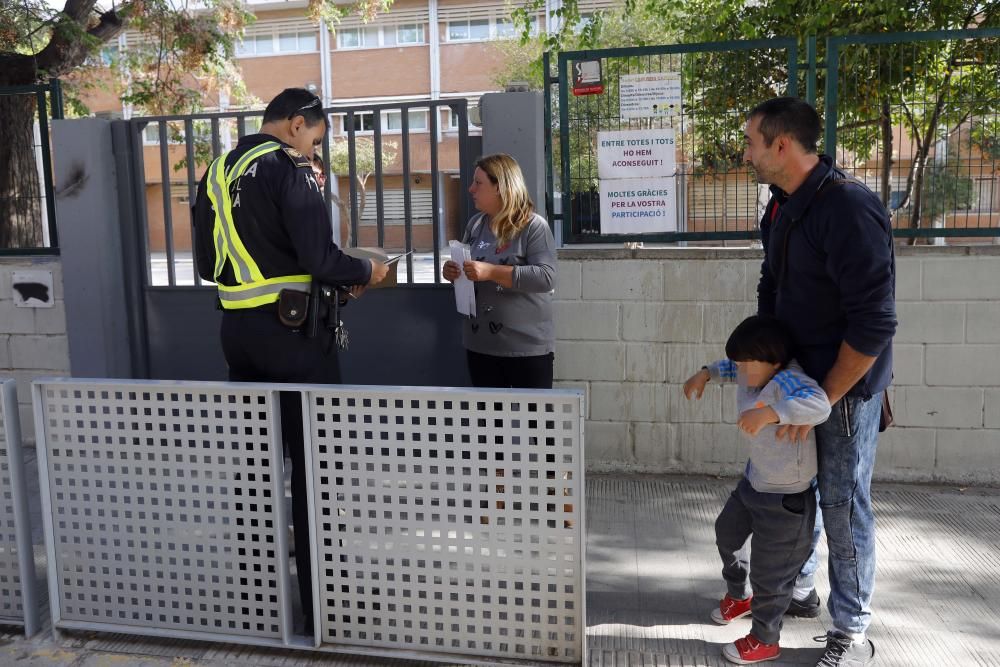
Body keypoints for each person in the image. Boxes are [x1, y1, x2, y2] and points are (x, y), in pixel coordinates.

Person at [192, 87, 389, 635]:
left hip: (239, 335)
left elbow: (209, 264)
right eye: (316, 138)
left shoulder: (218, 170)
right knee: (315, 472)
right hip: (297, 337)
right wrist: (366, 272)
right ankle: (329, 611)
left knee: (256, 471)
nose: (314, 148)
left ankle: (260, 607)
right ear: (297, 124)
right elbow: (320, 258)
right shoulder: (288, 167)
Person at [745, 97, 896, 666]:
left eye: (752, 142)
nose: (746, 154)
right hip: (797, 383)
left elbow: (876, 321)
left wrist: (823, 399)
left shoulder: (849, 208)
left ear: (782, 144)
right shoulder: (781, 206)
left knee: (841, 502)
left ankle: (852, 628)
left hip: (845, 393)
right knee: (796, 488)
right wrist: (772, 369)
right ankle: (803, 588)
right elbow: (772, 285)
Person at [684, 315, 831, 665]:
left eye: (747, 364)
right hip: (754, 484)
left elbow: (821, 404)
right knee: (727, 534)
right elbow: (731, 369)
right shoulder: (754, 370)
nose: (741, 371)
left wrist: (772, 414)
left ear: (775, 361)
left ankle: (766, 639)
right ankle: (739, 595)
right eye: (739, 363)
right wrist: (706, 373)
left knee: (771, 575)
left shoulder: (790, 380)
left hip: (787, 501)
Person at [442, 153, 556, 388]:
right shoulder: (475, 225)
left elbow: (546, 278)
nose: (471, 189)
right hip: (480, 347)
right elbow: (470, 272)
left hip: (525, 350)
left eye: (478, 183)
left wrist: (492, 272)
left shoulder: (533, 226)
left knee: (533, 423)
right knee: (488, 423)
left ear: (500, 186)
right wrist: (453, 273)